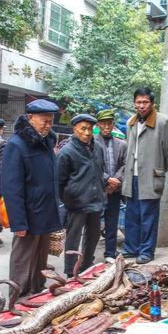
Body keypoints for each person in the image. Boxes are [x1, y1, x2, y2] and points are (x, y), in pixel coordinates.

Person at [1, 100, 62, 295]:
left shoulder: (47, 142)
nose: (48, 125)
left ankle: (36, 293)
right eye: (44, 121)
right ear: (30, 118)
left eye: (51, 121)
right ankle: (17, 297)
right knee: (23, 259)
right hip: (28, 214)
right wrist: (18, 222)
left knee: (40, 259)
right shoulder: (16, 146)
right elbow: (11, 188)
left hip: (45, 211)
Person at [122, 87, 168, 264]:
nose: (141, 105)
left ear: (152, 103)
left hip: (151, 177)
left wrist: (160, 169)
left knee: (148, 217)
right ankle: (131, 248)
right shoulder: (130, 122)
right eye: (138, 102)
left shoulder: (163, 121)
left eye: (145, 102)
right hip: (132, 176)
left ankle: (146, 252)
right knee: (131, 216)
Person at [58, 114, 106, 277]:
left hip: (96, 201)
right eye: (83, 129)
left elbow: (100, 171)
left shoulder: (98, 147)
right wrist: (68, 198)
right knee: (73, 238)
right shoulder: (67, 151)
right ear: (75, 129)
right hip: (76, 203)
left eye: (90, 129)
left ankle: (86, 266)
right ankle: (70, 271)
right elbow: (59, 181)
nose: (87, 133)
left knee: (93, 236)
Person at [94, 109, 127, 261]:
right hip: (97, 189)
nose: (106, 127)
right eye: (103, 124)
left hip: (115, 189)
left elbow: (126, 165)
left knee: (112, 222)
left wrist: (115, 180)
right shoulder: (92, 143)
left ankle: (110, 253)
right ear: (98, 125)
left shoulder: (122, 144)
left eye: (109, 124)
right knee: (93, 224)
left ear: (113, 124)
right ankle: (88, 255)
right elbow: (91, 165)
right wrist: (106, 179)